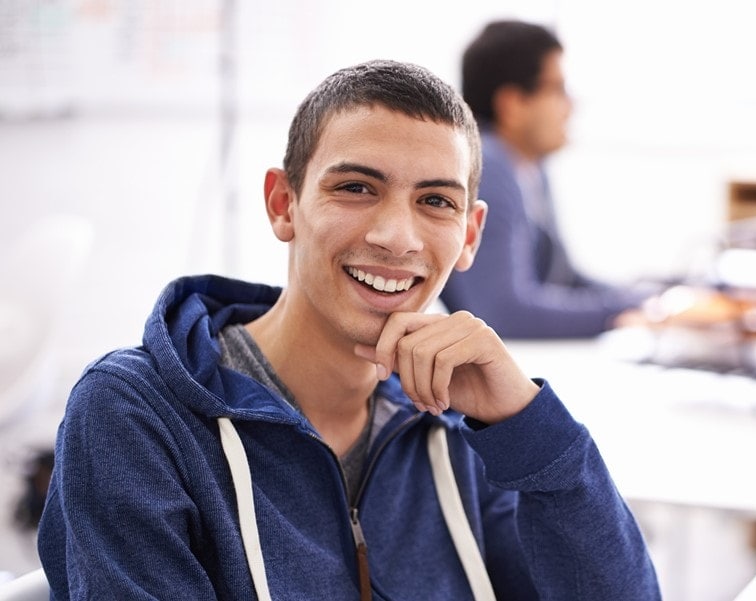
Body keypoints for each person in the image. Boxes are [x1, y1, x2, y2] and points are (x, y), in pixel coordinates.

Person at [37, 60, 661, 600]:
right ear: (284, 204)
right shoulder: (135, 416)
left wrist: (527, 424)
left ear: (469, 235)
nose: (397, 235)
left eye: (435, 201)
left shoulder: (455, 429)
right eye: (357, 187)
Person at [441, 20, 652, 339]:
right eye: (557, 89)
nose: (570, 106)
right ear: (513, 104)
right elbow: (504, 313)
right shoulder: (490, 166)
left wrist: (643, 298)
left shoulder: (528, 166)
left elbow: (563, 277)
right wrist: (621, 311)